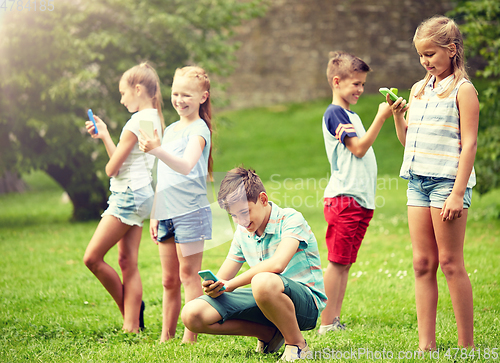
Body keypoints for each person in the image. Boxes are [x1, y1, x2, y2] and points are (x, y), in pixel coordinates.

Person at [390, 16, 478, 350]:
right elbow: (408, 141)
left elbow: (469, 144)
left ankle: (466, 346)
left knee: (451, 263)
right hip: (417, 181)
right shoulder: (418, 89)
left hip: (447, 185)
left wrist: (457, 193)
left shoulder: (463, 90)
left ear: (451, 50)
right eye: (421, 56)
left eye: (431, 54)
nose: (426, 61)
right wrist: (399, 115)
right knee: (422, 263)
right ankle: (426, 345)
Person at [180, 167, 327, 361]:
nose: (241, 221)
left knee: (262, 281)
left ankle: (297, 345)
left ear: (263, 199)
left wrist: (231, 285)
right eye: (234, 216)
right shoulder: (243, 232)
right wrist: (215, 286)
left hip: (306, 305)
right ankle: (269, 335)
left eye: (245, 212)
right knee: (192, 314)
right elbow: (224, 277)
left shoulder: (291, 219)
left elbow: (277, 264)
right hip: (265, 299)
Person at [318, 51, 396, 335]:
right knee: (337, 263)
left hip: (359, 200)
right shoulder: (334, 113)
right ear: (337, 82)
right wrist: (381, 117)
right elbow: (359, 148)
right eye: (356, 84)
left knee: (345, 263)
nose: (360, 90)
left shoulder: (349, 114)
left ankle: (334, 320)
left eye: (363, 84)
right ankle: (326, 322)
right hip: (344, 199)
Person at [83, 62, 165, 333]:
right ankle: (132, 325)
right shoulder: (154, 118)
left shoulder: (135, 122)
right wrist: (105, 134)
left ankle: (131, 312)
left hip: (127, 196)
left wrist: (108, 141)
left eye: (123, 92)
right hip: (142, 196)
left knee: (92, 258)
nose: (121, 99)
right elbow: (124, 160)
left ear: (138, 89)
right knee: (127, 261)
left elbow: (112, 168)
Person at [138, 66, 213, 343]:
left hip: (191, 212)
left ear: (203, 97)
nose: (180, 100)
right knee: (168, 280)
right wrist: (156, 214)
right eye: (176, 93)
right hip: (167, 211)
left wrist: (156, 149)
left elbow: (185, 166)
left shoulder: (199, 129)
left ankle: (189, 337)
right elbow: (164, 176)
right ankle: (165, 336)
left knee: (188, 275)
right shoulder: (170, 130)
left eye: (187, 95)